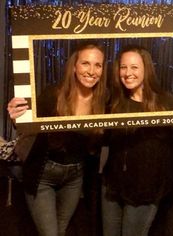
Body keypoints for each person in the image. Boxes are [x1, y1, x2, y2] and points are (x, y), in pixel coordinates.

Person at [101, 45, 173, 236]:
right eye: (123, 67)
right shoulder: (113, 101)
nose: (127, 73)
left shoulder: (166, 102)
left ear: (146, 69)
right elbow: (100, 139)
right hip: (113, 186)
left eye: (134, 67)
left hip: (146, 190)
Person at [7, 42, 107, 236]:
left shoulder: (104, 100)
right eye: (85, 63)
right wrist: (16, 116)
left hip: (74, 176)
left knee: (61, 231)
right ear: (74, 66)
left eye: (98, 65)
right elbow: (25, 126)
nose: (92, 71)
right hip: (43, 174)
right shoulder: (53, 95)